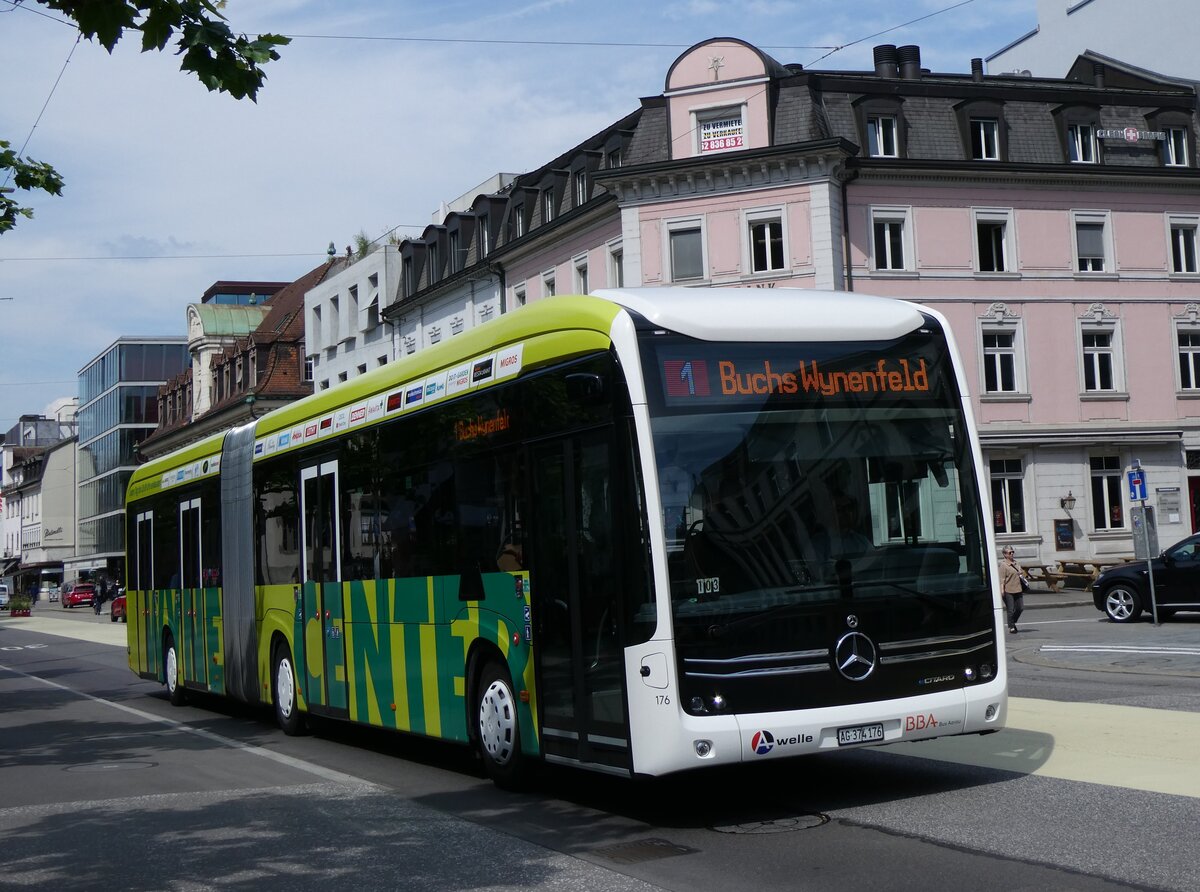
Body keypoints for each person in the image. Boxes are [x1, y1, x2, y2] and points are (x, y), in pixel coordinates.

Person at [999, 546, 1026, 633]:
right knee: (1011, 609)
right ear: (1005, 554)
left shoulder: (1016, 563)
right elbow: (1002, 579)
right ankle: (1011, 627)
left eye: (1013, 552)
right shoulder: (1003, 565)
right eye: (1010, 552)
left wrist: (1021, 573)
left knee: (1020, 608)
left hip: (1018, 589)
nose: (1012, 554)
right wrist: (1002, 590)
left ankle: (1012, 622)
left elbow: (1021, 573)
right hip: (1008, 590)